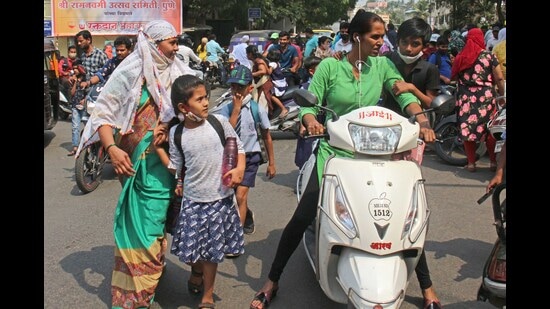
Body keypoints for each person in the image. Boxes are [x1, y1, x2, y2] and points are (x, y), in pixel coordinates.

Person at [249, 10, 436, 309]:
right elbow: (311, 102)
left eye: (382, 36)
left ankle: (427, 288)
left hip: (378, 154)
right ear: (357, 37)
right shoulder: (329, 68)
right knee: (302, 217)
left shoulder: (383, 66)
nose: (381, 41)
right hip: (335, 153)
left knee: (404, 217)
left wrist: (422, 123)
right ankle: (272, 280)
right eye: (375, 36)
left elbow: (404, 96)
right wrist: (310, 120)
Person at [75, 20, 196, 309]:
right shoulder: (129, 73)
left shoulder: (180, 71)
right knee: (145, 227)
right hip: (134, 167)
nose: (176, 46)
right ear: (154, 45)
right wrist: (112, 149)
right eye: (170, 41)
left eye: (176, 40)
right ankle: (137, 294)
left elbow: (197, 108)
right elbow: (103, 115)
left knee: (163, 223)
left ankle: (159, 271)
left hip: (171, 165)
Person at [166, 74, 246, 309]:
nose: (205, 103)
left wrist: (239, 169)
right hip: (192, 201)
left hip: (219, 200)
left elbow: (238, 148)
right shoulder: (177, 134)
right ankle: (196, 272)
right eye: (199, 99)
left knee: (211, 251)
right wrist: (155, 149)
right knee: (193, 251)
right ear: (183, 106)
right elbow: (176, 166)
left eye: (206, 98)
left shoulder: (219, 122)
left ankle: (207, 296)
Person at [380, 17, 443, 309]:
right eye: (404, 41)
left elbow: (430, 103)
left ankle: (426, 287)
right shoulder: (384, 61)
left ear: (423, 45)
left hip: (413, 140)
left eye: (414, 43)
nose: (408, 47)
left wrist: (411, 91)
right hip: (378, 140)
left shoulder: (428, 69)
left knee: (409, 215)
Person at [211, 65, 277, 236]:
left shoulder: (257, 109)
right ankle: (246, 215)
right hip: (230, 158)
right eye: (233, 86)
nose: (236, 91)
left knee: (240, 196)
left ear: (250, 87)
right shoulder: (226, 109)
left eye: (240, 87)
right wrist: (236, 110)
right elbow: (228, 134)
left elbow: (267, 136)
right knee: (230, 196)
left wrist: (272, 163)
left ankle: (235, 237)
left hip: (250, 157)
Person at [450, 27, 505, 172]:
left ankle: (471, 164)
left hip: (466, 97)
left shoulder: (461, 56)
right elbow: (499, 77)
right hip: (486, 97)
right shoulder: (489, 56)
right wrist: (502, 95)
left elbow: (454, 77)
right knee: (489, 130)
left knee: (468, 130)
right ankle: (493, 163)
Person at [68, 30, 108, 156]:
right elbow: (81, 76)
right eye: (78, 42)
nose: (79, 44)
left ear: (89, 40)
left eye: (81, 41)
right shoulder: (82, 58)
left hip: (100, 96)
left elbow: (108, 74)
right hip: (86, 97)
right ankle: (88, 149)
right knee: (87, 123)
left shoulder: (100, 55)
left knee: (100, 124)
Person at [293, 55, 322, 170]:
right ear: (311, 71)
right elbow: (302, 108)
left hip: (322, 122)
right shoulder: (305, 87)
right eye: (321, 68)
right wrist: (302, 125)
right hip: (309, 123)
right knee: (307, 152)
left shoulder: (325, 85)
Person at [67, 61, 89, 156]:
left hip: (85, 107)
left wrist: (85, 99)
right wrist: (75, 82)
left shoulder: (86, 78)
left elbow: (89, 92)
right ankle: (75, 147)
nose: (75, 70)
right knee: (75, 127)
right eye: (74, 68)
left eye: (77, 68)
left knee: (87, 126)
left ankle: (87, 147)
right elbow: (72, 94)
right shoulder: (72, 79)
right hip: (75, 106)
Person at [246, 45, 275, 115]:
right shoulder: (257, 60)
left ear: (250, 54)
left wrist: (252, 74)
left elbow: (263, 71)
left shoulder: (258, 61)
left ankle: (264, 122)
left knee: (262, 106)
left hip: (264, 85)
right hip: (260, 84)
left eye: (247, 53)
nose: (246, 55)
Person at [266, 49, 289, 118]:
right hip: (281, 81)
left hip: (277, 83)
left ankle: (283, 108)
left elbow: (269, 72)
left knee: (271, 96)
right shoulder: (277, 63)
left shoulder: (272, 64)